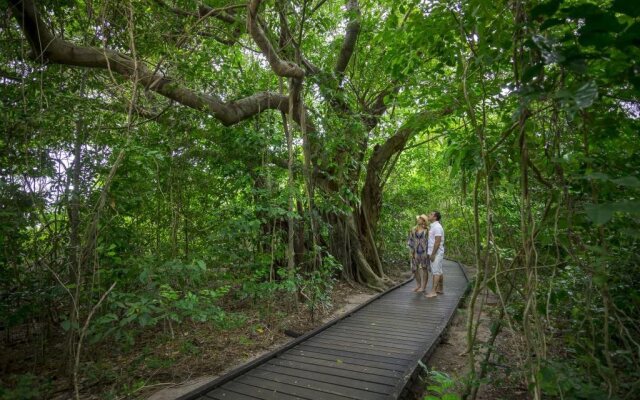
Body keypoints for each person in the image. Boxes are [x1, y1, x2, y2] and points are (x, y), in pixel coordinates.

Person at [425, 211, 445, 298]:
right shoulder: (433, 226)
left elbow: (437, 241)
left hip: (436, 253)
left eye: (431, 214)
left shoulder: (437, 227)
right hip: (435, 252)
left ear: (435, 217)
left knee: (435, 272)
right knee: (439, 271)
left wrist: (433, 254)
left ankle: (433, 291)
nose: (428, 215)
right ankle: (440, 289)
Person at [408, 215, 430, 292]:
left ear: (424, 221)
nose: (418, 220)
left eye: (421, 219)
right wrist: (411, 251)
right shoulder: (413, 229)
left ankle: (423, 287)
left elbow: (429, 242)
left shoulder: (427, 230)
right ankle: (418, 285)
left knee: (424, 268)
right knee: (415, 268)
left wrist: (429, 253)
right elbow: (410, 240)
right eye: (419, 218)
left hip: (424, 252)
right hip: (415, 252)